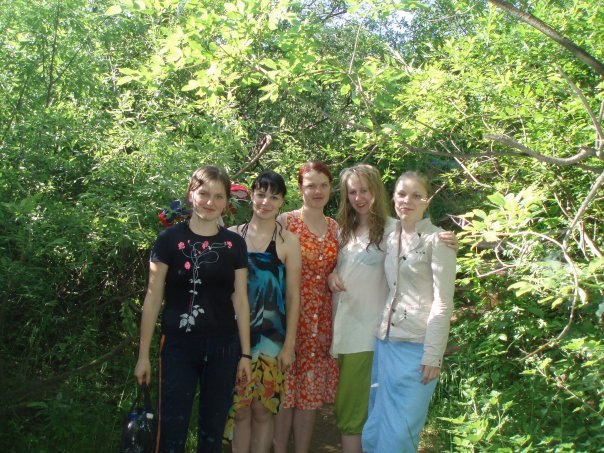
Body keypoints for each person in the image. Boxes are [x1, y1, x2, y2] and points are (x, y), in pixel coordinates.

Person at [328, 164, 457, 453]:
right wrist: (331, 275)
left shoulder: (425, 237)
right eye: (402, 194)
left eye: (416, 195)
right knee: (378, 425)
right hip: (383, 340)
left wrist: (434, 354)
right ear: (394, 196)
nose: (407, 201)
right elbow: (349, 265)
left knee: (399, 432)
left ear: (427, 200)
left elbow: (442, 300)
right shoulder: (385, 233)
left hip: (411, 341)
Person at [134, 165, 252, 453]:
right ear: (191, 194)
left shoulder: (234, 244)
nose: (210, 202)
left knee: (212, 433)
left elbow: (240, 299)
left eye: (219, 196)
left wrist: (246, 354)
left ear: (227, 201)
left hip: (223, 347)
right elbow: (153, 296)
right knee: (171, 432)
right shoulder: (169, 240)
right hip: (178, 347)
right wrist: (143, 356)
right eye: (204, 194)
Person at [227, 170, 302, 453]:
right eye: (261, 194)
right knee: (239, 409)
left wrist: (289, 345)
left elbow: (293, 296)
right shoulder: (232, 236)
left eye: (274, 197)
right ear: (252, 196)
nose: (265, 202)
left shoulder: (288, 242)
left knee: (263, 409)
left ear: (282, 201)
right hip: (235, 336)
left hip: (272, 339)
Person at [273, 161, 339, 453]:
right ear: (300, 188)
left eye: (323, 185)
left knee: (309, 396)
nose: (318, 191)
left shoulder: (335, 227)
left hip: (321, 322)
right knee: (285, 393)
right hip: (289, 319)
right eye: (311, 185)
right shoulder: (286, 222)